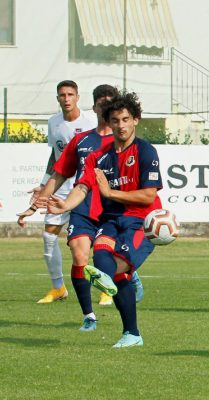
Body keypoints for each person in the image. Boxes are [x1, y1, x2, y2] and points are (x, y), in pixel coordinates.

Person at [18, 85, 144, 331]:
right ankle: (89, 315)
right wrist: (35, 206)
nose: (105, 107)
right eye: (101, 103)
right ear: (95, 107)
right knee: (79, 256)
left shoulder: (125, 141)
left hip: (113, 209)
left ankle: (128, 277)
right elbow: (59, 173)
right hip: (83, 206)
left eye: (110, 103)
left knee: (106, 258)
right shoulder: (82, 140)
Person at [46, 91, 162, 348]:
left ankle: (132, 328)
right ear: (109, 123)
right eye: (116, 120)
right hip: (110, 220)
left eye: (125, 119)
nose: (121, 125)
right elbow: (83, 187)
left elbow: (147, 195)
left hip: (141, 221)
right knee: (100, 258)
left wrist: (109, 192)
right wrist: (65, 204)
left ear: (136, 120)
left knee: (116, 268)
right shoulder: (100, 156)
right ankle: (131, 333)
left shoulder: (145, 151)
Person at [24, 80, 97, 304]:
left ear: (78, 97)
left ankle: (105, 289)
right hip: (61, 188)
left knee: (96, 239)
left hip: (86, 188)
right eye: (62, 95)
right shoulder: (53, 122)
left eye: (70, 94)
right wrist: (44, 184)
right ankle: (58, 288)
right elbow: (55, 157)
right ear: (57, 98)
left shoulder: (91, 121)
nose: (66, 99)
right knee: (48, 237)